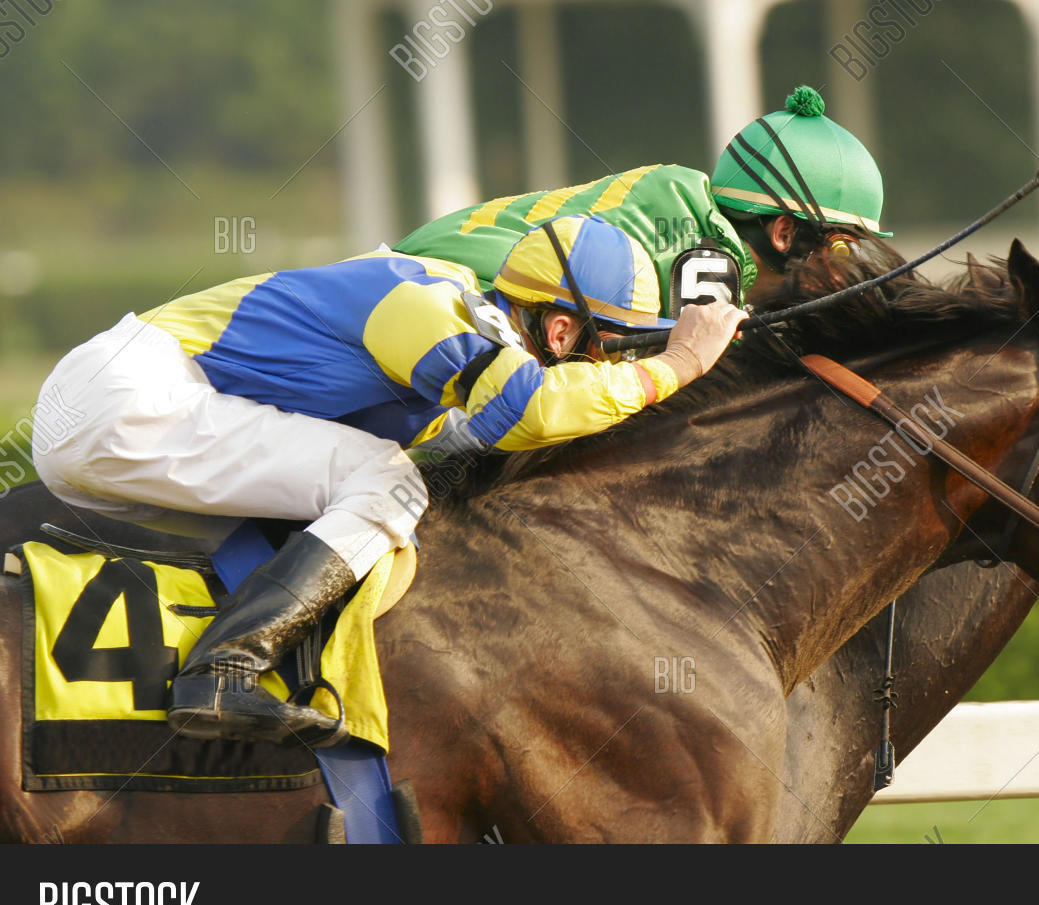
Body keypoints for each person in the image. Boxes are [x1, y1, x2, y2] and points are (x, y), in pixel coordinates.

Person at [33, 214, 744, 747]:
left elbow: (480, 441)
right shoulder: (428, 302)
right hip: (125, 398)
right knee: (388, 481)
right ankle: (222, 670)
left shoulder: (461, 350)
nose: (605, 366)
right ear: (560, 334)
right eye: (605, 348)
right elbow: (530, 410)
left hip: (118, 415)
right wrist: (678, 365)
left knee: (367, 497)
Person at [395, 85, 889, 313]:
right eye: (843, 248)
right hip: (429, 284)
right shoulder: (682, 237)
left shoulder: (712, 243)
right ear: (783, 232)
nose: (848, 271)